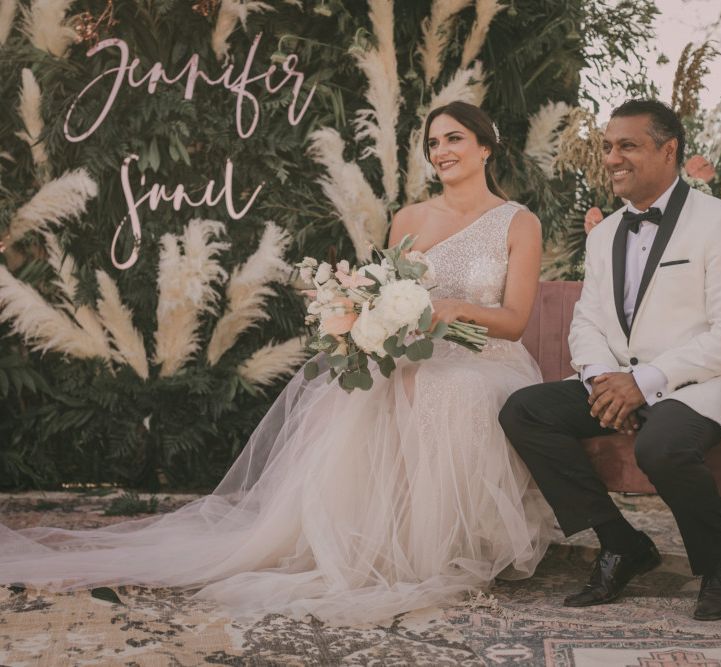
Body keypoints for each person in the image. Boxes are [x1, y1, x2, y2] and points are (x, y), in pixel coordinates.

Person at [0, 101, 553, 626]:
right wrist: (368, 319)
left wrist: (450, 307)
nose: (440, 151)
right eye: (433, 142)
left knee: (450, 389)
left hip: (484, 355)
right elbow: (382, 293)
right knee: (357, 391)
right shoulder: (409, 216)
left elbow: (514, 320)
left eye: (454, 139)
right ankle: (370, 538)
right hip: (412, 350)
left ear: (486, 148)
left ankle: (453, 542)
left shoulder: (516, 222)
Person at [499, 99, 721, 621]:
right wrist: (605, 380)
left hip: (696, 381)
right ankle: (621, 542)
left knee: (663, 445)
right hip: (620, 377)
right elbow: (588, 320)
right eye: (607, 146)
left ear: (669, 151)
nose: (611, 157)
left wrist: (642, 383)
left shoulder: (719, 223)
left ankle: (720, 565)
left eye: (627, 145)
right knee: (524, 410)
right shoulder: (604, 235)